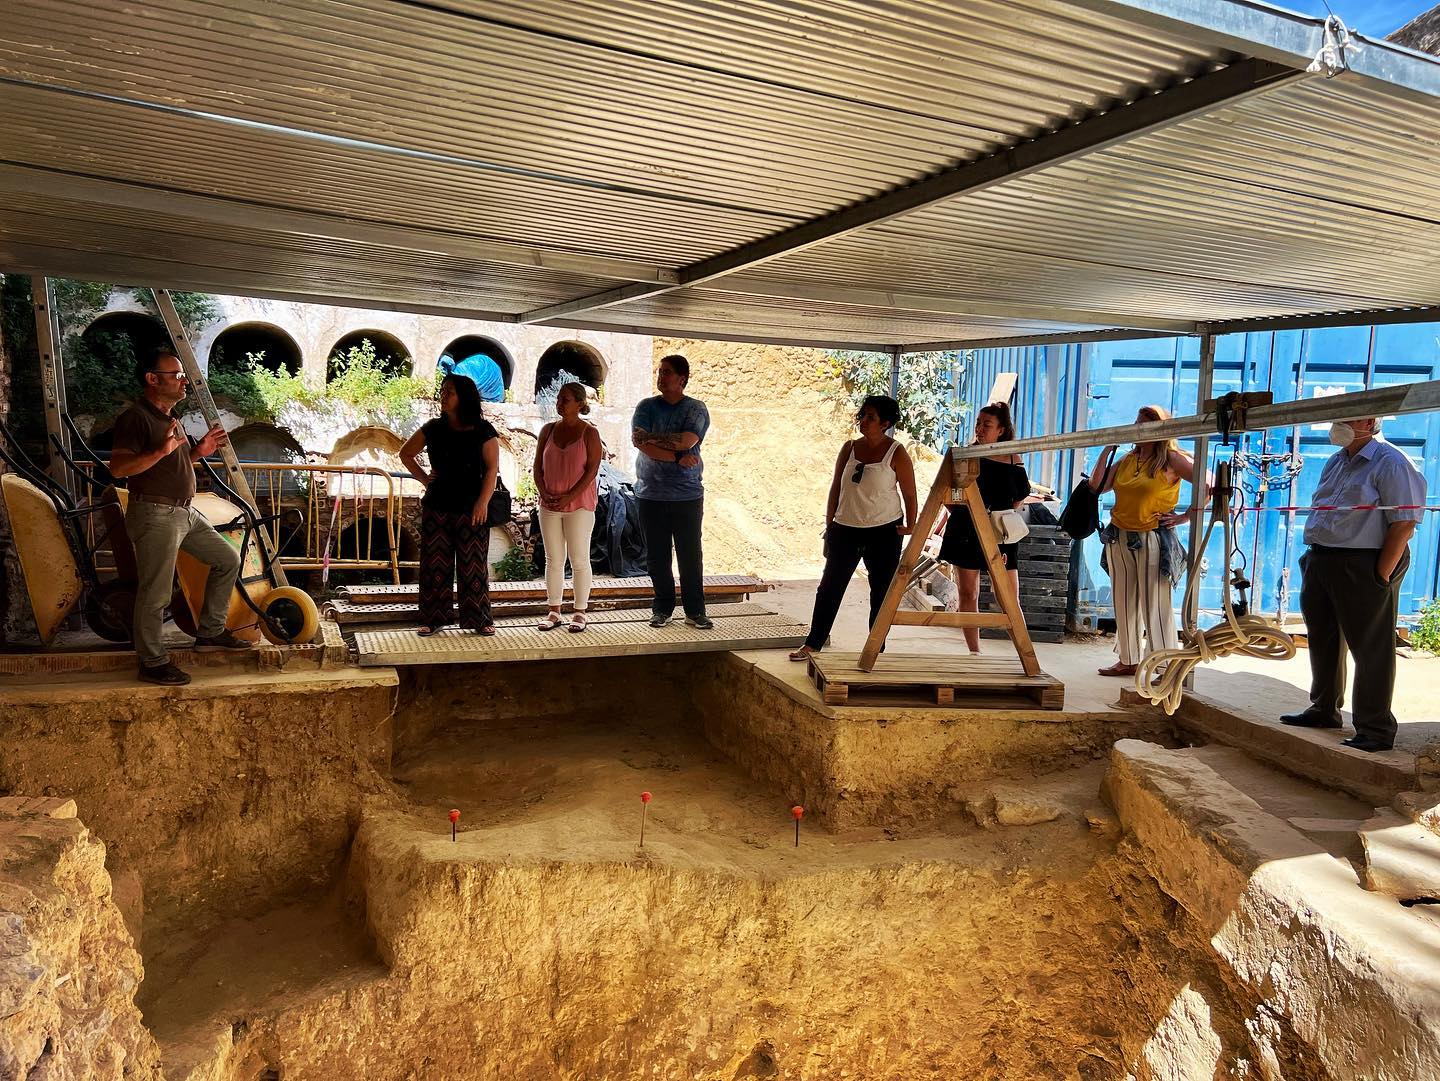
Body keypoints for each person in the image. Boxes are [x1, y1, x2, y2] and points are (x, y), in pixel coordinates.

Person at [1281, 415, 1426, 752]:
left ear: (1369, 420)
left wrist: (1380, 574)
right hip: (1322, 557)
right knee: (1323, 637)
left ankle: (1374, 728)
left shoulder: (1391, 462)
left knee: (1370, 647)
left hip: (1363, 561)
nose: (1336, 424)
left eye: (1346, 417)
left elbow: (1404, 523)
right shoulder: (1337, 460)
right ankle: (1324, 709)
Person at [110, 346, 247, 686]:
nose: (184, 381)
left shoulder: (171, 418)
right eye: (177, 375)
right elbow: (119, 468)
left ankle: (210, 633)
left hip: (183, 511)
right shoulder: (136, 418)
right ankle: (152, 662)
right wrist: (161, 449)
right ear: (153, 379)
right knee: (156, 592)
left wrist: (198, 451)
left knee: (227, 559)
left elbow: (176, 461)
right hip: (155, 512)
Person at [789, 395, 918, 661]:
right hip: (845, 529)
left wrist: (911, 525)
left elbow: (910, 493)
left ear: (885, 423)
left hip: (884, 531)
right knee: (829, 588)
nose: (863, 420)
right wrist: (829, 525)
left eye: (871, 417)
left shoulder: (897, 453)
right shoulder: (849, 448)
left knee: (881, 590)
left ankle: (875, 648)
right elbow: (836, 487)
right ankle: (813, 642)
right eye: (863, 415)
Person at [1089, 404, 1197, 677]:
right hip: (1119, 535)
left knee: (1155, 603)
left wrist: (1186, 515)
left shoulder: (1171, 459)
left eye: (1143, 424)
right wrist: (1107, 447)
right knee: (1124, 600)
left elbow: (1206, 481)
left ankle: (1164, 663)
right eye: (1136, 422)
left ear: (1159, 430)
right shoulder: (1127, 459)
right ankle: (1129, 659)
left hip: (1153, 537)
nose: (1136, 428)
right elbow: (1097, 485)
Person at [400, 374, 499, 637]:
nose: (444, 396)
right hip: (438, 505)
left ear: (463, 396)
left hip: (472, 507)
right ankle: (432, 619)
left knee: (473, 564)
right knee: (435, 564)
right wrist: (424, 479)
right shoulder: (433, 428)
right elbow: (405, 454)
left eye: (450, 392)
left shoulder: (483, 430)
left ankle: (479, 619)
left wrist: (483, 502)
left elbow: (491, 470)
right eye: (443, 391)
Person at [937, 402, 1030, 654]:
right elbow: (946, 493)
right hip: (966, 530)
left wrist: (998, 518)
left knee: (1009, 597)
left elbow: (1020, 496)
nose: (979, 428)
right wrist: (966, 514)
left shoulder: (1013, 457)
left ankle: (1025, 653)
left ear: (1001, 430)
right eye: (978, 423)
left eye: (986, 425)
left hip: (1001, 532)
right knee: (969, 593)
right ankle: (974, 652)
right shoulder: (965, 455)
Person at [632, 354, 711, 629]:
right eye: (659, 371)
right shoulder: (646, 406)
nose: (661, 376)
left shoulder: (696, 409)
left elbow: (687, 440)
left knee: (690, 555)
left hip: (687, 495)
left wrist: (655, 438)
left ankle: (696, 611)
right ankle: (662, 608)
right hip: (649, 494)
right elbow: (639, 442)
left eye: (666, 372)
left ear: (682, 379)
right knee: (657, 557)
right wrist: (677, 456)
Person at [533, 382, 602, 633]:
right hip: (549, 503)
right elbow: (537, 467)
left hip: (579, 506)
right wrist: (544, 492)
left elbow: (591, 472)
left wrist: (569, 496)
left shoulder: (589, 433)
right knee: (553, 558)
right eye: (559, 399)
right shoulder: (547, 430)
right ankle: (554, 610)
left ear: (580, 404)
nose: (560, 403)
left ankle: (580, 611)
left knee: (579, 558)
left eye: (566, 399)